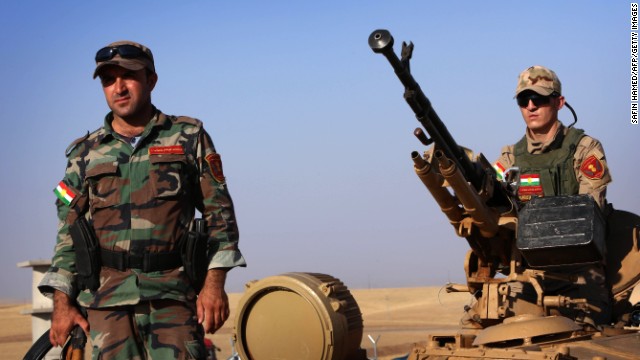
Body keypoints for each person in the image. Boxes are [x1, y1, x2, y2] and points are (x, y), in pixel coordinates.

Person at [38, 40, 246, 359]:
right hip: (105, 305)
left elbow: (220, 217)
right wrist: (62, 305)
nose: (118, 87)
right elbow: (67, 235)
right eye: (109, 80)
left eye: (129, 76)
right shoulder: (82, 153)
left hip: (173, 299)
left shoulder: (189, 137)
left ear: (151, 80)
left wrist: (214, 284)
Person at [493, 65, 612, 325]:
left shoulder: (584, 149)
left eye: (540, 98)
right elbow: (488, 198)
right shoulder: (509, 158)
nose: (531, 106)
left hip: (580, 276)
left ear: (559, 102)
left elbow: (590, 212)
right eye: (524, 100)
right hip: (528, 276)